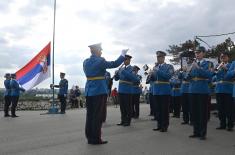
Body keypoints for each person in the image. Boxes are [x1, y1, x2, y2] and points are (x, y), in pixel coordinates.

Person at [83, 42, 128, 145]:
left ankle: (89, 137)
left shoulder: (85, 62)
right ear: (98, 51)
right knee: (97, 116)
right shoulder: (100, 61)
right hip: (99, 90)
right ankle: (96, 139)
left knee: (90, 115)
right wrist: (122, 55)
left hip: (89, 91)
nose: (101, 52)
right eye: (101, 50)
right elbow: (114, 64)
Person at [188, 46, 213, 140]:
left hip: (202, 90)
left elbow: (209, 75)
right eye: (196, 53)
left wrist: (198, 68)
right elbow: (187, 77)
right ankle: (196, 131)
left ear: (203, 53)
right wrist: (188, 71)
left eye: (199, 52)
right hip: (192, 89)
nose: (197, 54)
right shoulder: (193, 64)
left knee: (202, 113)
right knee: (194, 112)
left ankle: (203, 133)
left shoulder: (208, 64)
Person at [150, 51, 174, 132]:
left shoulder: (169, 66)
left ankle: (165, 126)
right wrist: (151, 74)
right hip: (156, 90)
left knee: (164, 110)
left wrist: (157, 71)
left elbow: (168, 76)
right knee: (157, 109)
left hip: (164, 90)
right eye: (157, 57)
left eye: (160, 57)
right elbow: (153, 79)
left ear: (163, 58)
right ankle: (159, 125)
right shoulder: (155, 67)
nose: (158, 59)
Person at [114, 55, 140, 126]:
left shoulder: (132, 69)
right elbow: (116, 79)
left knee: (128, 107)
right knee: (122, 107)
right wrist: (116, 74)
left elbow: (135, 79)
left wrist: (123, 71)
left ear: (129, 60)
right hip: (121, 90)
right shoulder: (121, 69)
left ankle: (128, 121)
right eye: (124, 60)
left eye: (126, 60)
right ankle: (123, 120)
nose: (124, 61)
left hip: (128, 90)